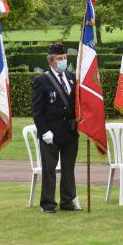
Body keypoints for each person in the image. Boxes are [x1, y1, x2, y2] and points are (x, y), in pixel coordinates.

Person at [31, 42, 80, 213]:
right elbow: (37, 111)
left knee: (69, 168)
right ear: (51, 61)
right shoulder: (42, 80)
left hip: (70, 131)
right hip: (50, 133)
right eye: (60, 58)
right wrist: (44, 131)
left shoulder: (72, 78)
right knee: (49, 170)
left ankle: (67, 201)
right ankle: (48, 203)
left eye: (65, 57)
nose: (63, 61)